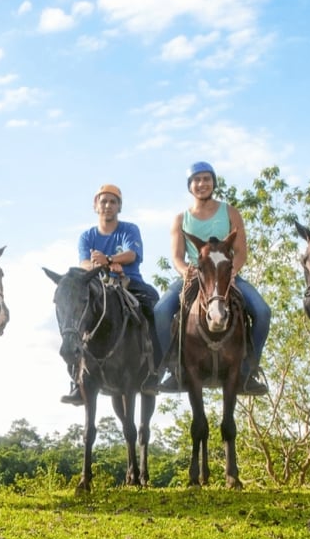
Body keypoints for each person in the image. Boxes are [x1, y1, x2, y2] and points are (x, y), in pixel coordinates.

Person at [152, 161, 270, 396]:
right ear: (190, 186)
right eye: (196, 180)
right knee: (161, 311)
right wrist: (185, 270)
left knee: (263, 311)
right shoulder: (180, 219)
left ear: (213, 182)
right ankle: (175, 370)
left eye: (206, 179)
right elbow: (176, 257)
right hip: (195, 275)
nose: (202, 184)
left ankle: (247, 371)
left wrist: (232, 273)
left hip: (226, 275)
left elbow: (241, 252)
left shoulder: (230, 212)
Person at [61, 184, 161, 405]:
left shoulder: (129, 229)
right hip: (98, 284)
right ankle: (77, 380)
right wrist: (102, 267)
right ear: (95, 206)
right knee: (75, 314)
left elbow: (131, 254)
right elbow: (85, 262)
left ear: (119, 207)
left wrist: (109, 260)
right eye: (103, 201)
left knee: (155, 307)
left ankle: (155, 371)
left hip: (130, 281)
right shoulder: (86, 236)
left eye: (112, 201)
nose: (107, 205)